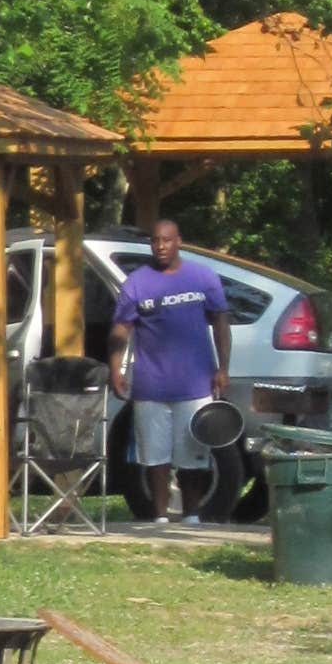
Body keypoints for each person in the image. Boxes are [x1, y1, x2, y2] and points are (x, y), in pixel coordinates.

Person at [108, 218, 231, 524]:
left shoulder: (202, 277)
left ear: (179, 242)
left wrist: (223, 368)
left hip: (195, 384)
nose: (160, 247)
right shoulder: (137, 282)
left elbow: (220, 324)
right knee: (154, 456)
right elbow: (121, 329)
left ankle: (192, 514)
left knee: (192, 454)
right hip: (151, 385)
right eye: (155, 241)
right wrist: (115, 369)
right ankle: (160, 514)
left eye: (166, 240)